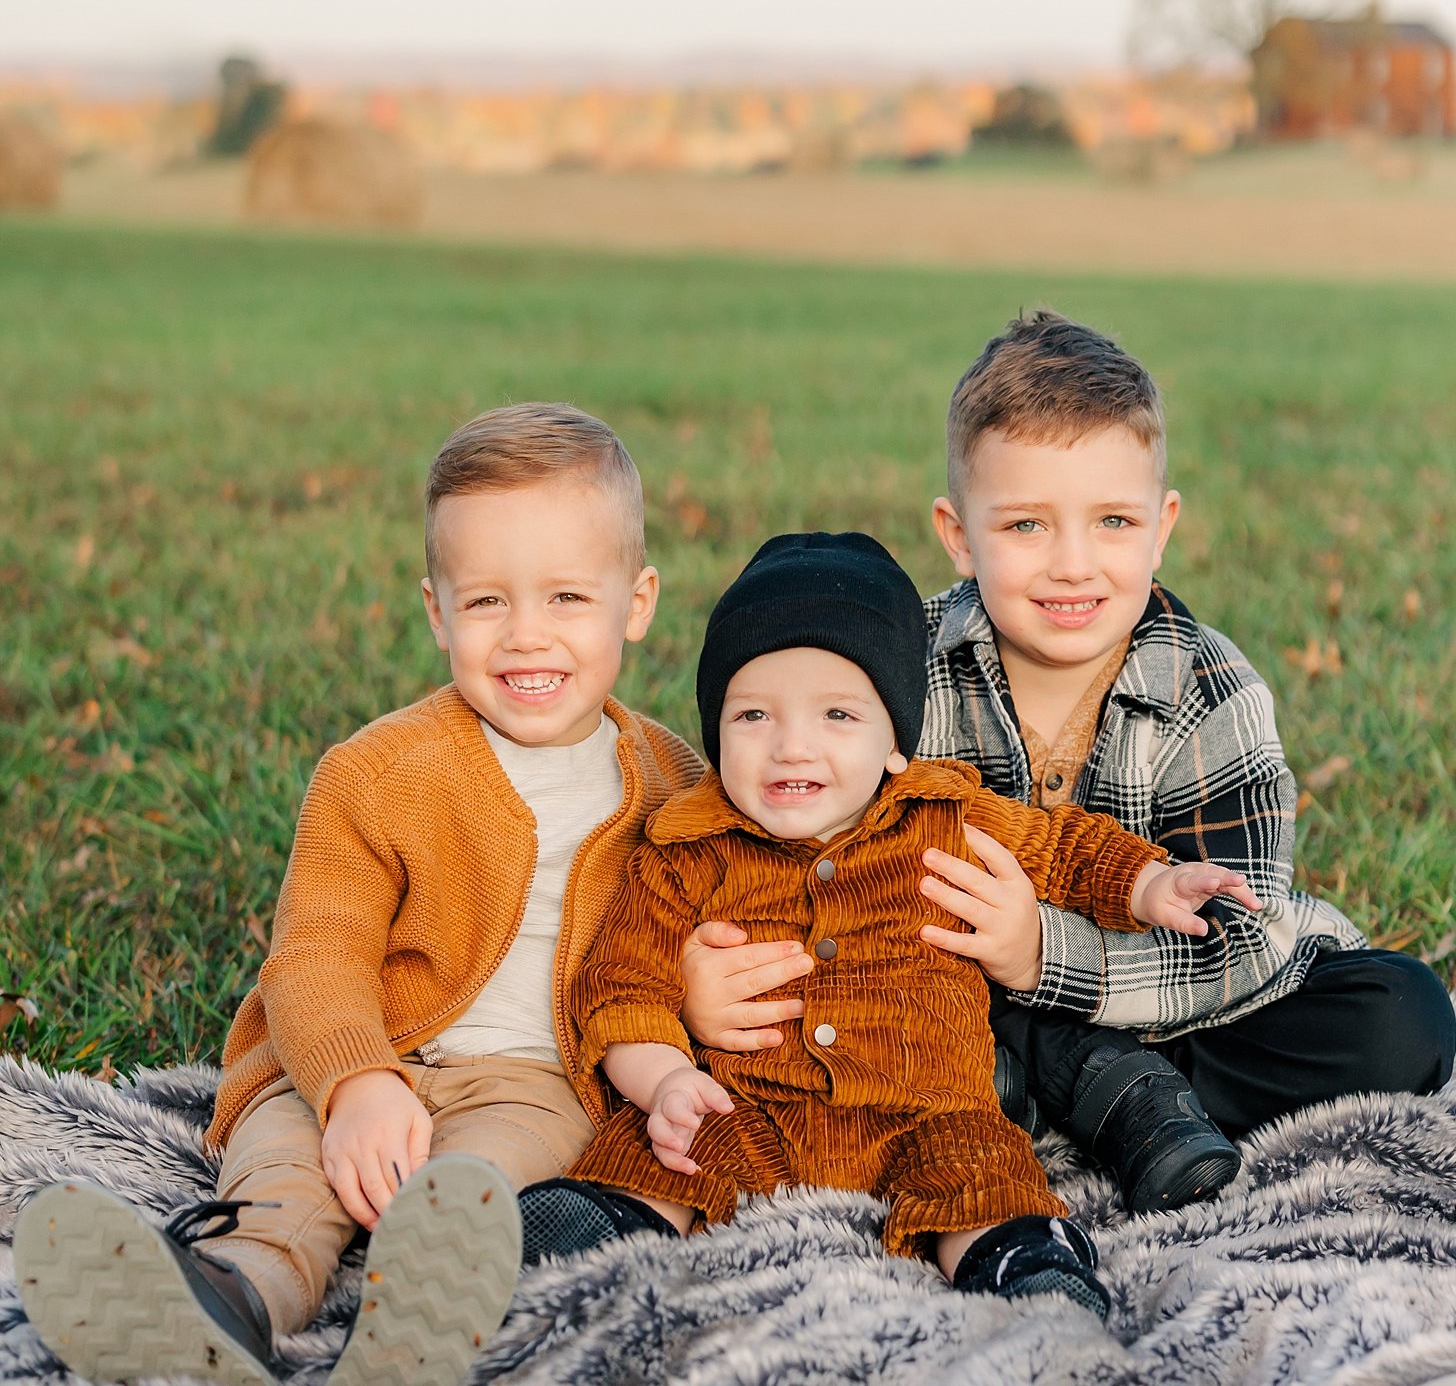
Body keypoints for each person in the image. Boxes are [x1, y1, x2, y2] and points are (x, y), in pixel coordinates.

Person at [676, 315, 1456, 1216]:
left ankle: (1076, 1095)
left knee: (1402, 1017)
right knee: (875, 1009)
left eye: (1113, 521)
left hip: (1165, 1003)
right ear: (959, 534)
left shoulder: (1210, 690)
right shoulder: (897, 667)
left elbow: (1242, 938)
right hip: (935, 1001)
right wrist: (706, 981)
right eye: (1027, 526)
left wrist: (1044, 955)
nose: (1073, 566)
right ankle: (1110, 1103)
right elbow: (773, 836)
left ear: (1162, 527)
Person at [15, 404, 700, 1386]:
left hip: (535, 1080)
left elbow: (710, 923)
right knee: (290, 1167)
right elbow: (316, 958)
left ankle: (409, 1327)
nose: (526, 636)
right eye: (486, 604)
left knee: (480, 1182)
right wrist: (355, 1084)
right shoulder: (377, 773)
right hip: (359, 1055)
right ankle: (235, 1295)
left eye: (566, 597)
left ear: (635, 602)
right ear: (435, 611)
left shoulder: (671, 782)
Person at [516, 532, 1260, 1317]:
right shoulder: (686, 846)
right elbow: (622, 986)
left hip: (925, 1109)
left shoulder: (940, 814)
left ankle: (1020, 1264)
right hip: (750, 1107)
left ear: (894, 742)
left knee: (979, 1168)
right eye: (753, 715)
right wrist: (666, 1080)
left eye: (837, 714)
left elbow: (1063, 848)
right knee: (663, 1144)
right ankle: (597, 1228)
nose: (790, 745)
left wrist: (1149, 882)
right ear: (717, 729)